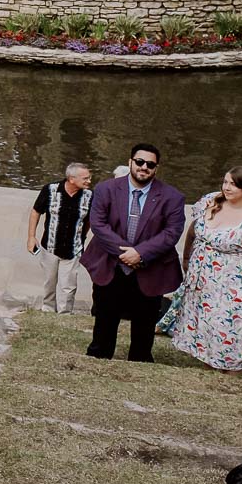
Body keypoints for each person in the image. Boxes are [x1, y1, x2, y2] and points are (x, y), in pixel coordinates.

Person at [80, 143, 186, 363]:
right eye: (139, 162)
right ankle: (99, 355)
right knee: (105, 316)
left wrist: (140, 253)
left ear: (156, 168)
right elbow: (98, 225)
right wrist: (126, 254)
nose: (143, 167)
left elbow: (172, 233)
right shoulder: (106, 189)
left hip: (150, 268)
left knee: (145, 321)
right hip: (111, 265)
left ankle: (139, 359)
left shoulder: (173, 197)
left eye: (150, 164)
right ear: (130, 162)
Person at [169, 167, 242, 371]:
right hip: (202, 281)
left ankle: (229, 371)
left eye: (233, 184)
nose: (227, 187)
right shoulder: (212, 201)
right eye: (225, 182)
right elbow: (193, 230)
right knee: (204, 325)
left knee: (229, 329)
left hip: (233, 285)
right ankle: (208, 366)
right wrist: (186, 260)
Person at [27, 163, 93, 314]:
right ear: (71, 179)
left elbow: (88, 221)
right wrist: (31, 237)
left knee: (68, 286)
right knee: (49, 282)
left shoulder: (90, 196)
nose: (89, 181)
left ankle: (64, 314)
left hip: (74, 249)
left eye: (89, 178)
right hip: (50, 246)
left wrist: (82, 237)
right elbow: (35, 212)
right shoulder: (50, 190)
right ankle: (48, 310)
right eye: (85, 178)